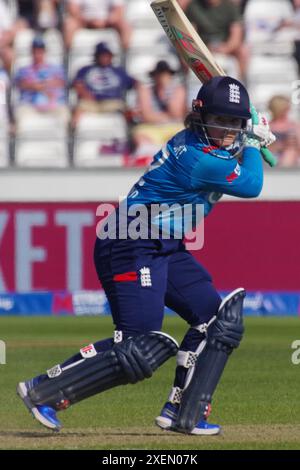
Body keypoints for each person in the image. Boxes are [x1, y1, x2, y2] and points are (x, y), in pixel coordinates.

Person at [17, 76, 275, 435]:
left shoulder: (204, 146)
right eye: (221, 120)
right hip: (129, 241)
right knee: (139, 347)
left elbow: (237, 163)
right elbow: (252, 185)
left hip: (164, 244)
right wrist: (253, 141)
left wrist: (249, 139)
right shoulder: (199, 158)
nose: (228, 129)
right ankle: (43, 390)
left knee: (217, 321)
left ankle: (183, 411)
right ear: (199, 117)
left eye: (235, 123)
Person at [132, 60, 187, 162]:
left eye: (165, 74)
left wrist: (166, 91)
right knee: (139, 135)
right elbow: (146, 116)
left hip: (173, 128)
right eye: (160, 74)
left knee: (181, 136)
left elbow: (175, 113)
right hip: (152, 129)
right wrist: (165, 117)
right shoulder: (146, 90)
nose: (162, 77)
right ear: (154, 75)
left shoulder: (178, 90)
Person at [72, 42, 136, 126]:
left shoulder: (119, 71)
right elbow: (77, 83)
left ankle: (130, 130)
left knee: (127, 110)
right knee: (78, 109)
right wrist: (86, 94)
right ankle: (72, 132)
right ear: (96, 56)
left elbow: (133, 83)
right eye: (102, 55)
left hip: (112, 102)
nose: (104, 58)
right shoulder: (85, 70)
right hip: (91, 103)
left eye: (107, 55)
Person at [186, 0, 249, 81]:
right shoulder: (193, 6)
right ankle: (188, 83)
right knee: (185, 52)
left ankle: (239, 83)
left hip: (227, 46)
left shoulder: (230, 6)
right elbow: (190, 35)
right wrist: (204, 49)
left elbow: (236, 37)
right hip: (203, 47)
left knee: (244, 52)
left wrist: (225, 48)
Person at [14, 36, 69, 126]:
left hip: (53, 104)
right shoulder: (23, 70)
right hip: (30, 105)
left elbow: (61, 82)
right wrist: (39, 86)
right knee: (20, 114)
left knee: (64, 113)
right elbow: (21, 83)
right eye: (35, 52)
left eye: (40, 51)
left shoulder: (56, 68)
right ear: (31, 53)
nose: (37, 55)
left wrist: (40, 86)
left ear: (44, 52)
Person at [64, 0, 131, 49]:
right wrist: (87, 21)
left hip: (108, 22)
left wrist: (105, 21)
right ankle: (67, 54)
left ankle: (125, 54)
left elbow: (119, 10)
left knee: (125, 26)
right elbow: (73, 9)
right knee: (69, 25)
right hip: (84, 21)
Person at [267, 95, 300, 167]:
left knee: (290, 151)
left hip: (289, 158)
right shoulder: (266, 127)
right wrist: (281, 145)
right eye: (285, 109)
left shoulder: (294, 126)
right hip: (271, 158)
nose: (287, 111)